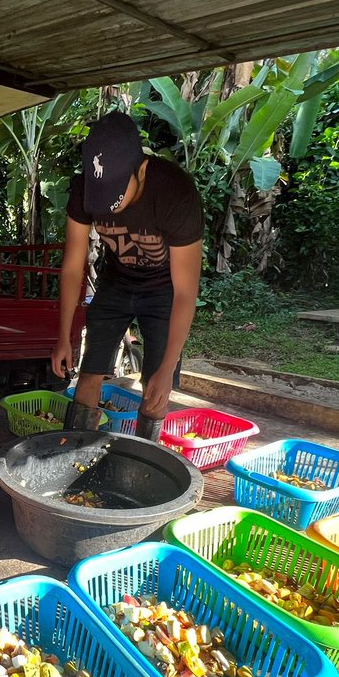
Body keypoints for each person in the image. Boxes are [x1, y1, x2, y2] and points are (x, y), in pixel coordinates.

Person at [50, 110, 204, 439]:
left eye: (117, 195)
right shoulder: (83, 187)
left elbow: (185, 292)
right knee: (89, 374)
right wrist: (63, 335)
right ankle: (72, 454)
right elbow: (72, 267)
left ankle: (142, 463)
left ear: (142, 169)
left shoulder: (175, 193)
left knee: (155, 387)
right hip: (116, 283)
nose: (110, 207)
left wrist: (167, 367)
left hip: (165, 291)